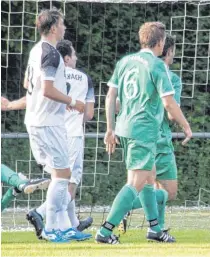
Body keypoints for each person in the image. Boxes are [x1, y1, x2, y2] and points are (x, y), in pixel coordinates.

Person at [95, 21, 192, 244]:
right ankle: (105, 231)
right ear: (159, 42)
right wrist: (186, 126)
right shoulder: (156, 66)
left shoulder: (125, 61)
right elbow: (168, 104)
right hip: (144, 130)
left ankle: (155, 229)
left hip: (124, 128)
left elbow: (110, 97)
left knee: (149, 178)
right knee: (136, 182)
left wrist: (110, 128)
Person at [22, 8, 90, 243]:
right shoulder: (51, 53)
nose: (64, 27)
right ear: (52, 28)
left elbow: (29, 84)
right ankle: (51, 228)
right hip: (48, 123)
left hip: (38, 120)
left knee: (61, 175)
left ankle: (63, 226)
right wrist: (72, 101)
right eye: (62, 24)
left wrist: (62, 104)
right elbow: (48, 90)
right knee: (63, 176)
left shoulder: (36, 50)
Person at [118, 34, 181, 234]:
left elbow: (119, 102)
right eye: (173, 52)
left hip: (134, 133)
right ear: (167, 51)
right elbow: (171, 112)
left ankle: (157, 228)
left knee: (148, 186)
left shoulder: (136, 70)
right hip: (158, 139)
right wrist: (185, 124)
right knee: (168, 191)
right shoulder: (170, 77)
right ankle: (126, 207)